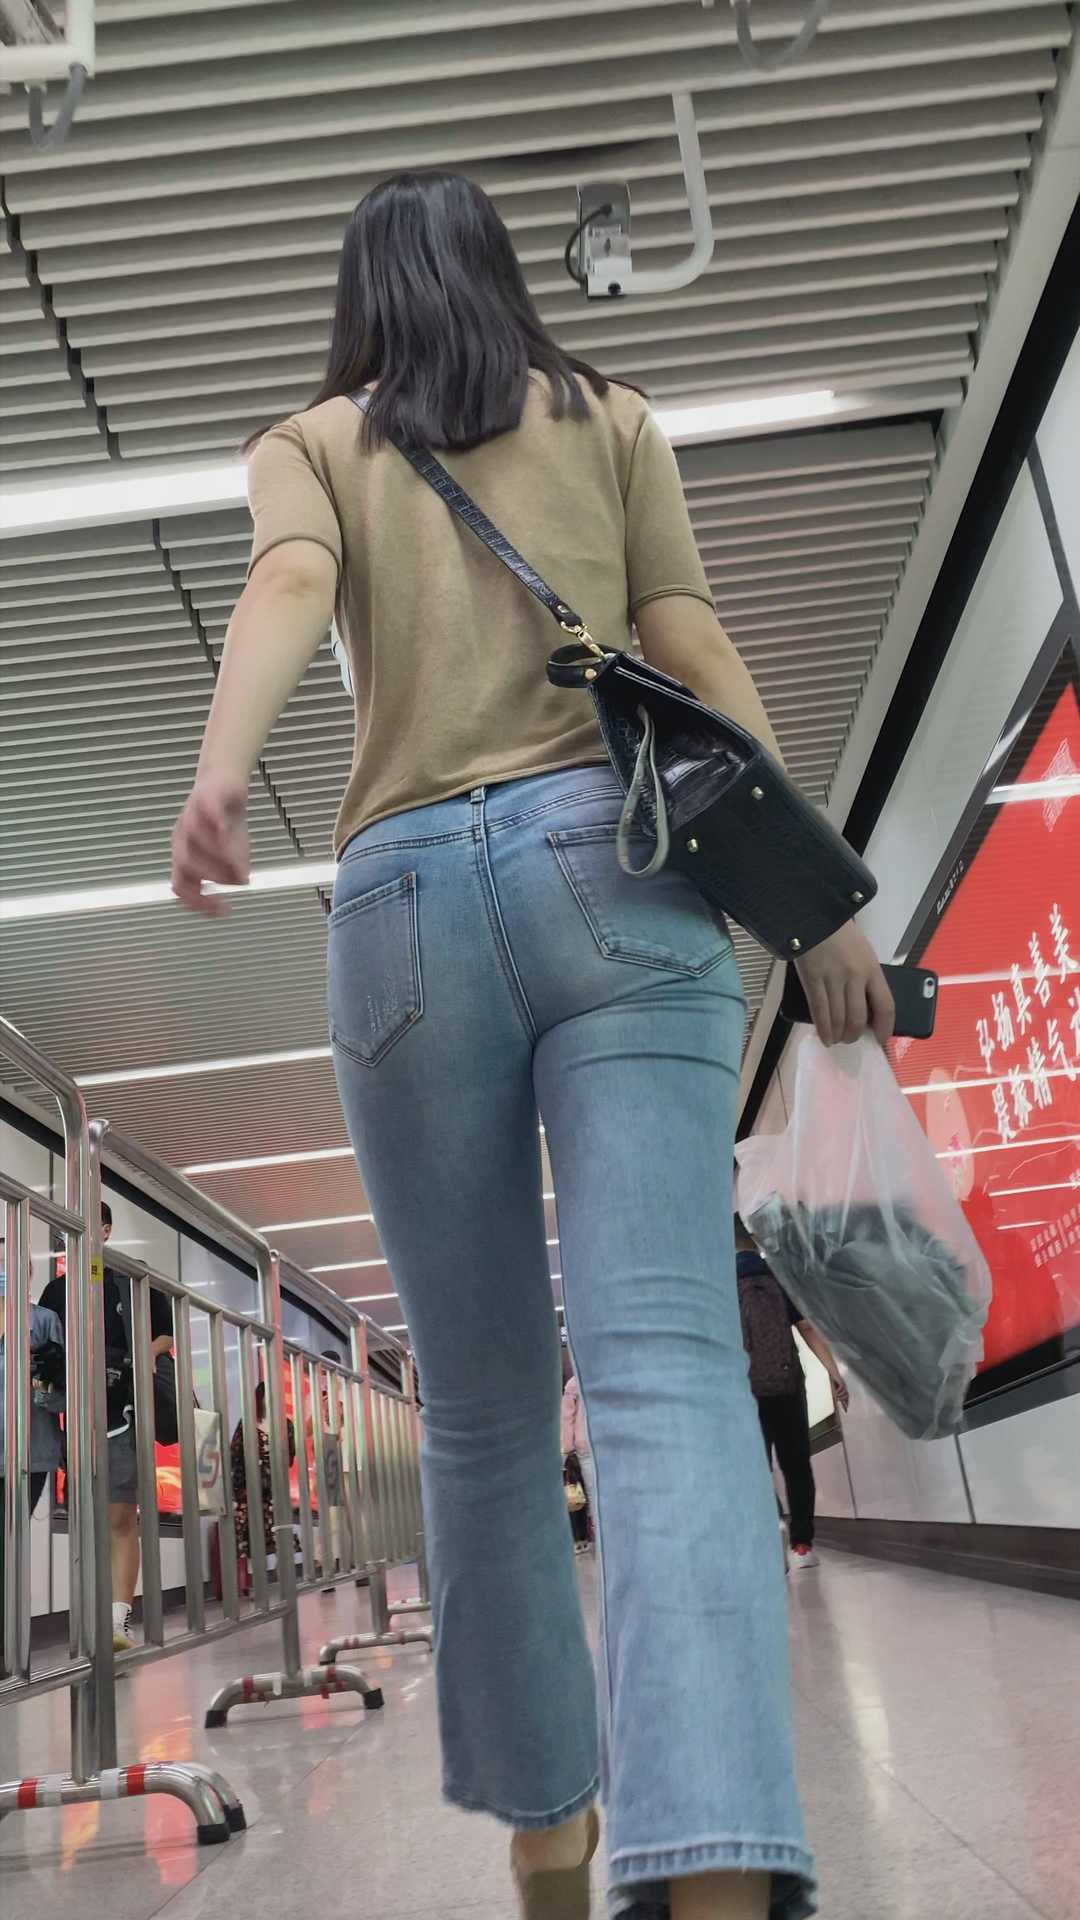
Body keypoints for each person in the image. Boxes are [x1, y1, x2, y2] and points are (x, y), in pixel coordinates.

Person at [171, 172, 893, 1920]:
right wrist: (821, 900)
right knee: (662, 1377)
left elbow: (290, 578)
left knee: (488, 1414)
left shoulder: (312, 441)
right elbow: (690, 641)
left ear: (361, 299)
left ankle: (549, 1860)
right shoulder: (611, 416)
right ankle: (715, 1874)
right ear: (502, 277)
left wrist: (221, 771)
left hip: (405, 902)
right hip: (617, 868)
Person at [40, 1201, 174, 1651]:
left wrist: (142, 1355)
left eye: (85, 1224)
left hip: (122, 1413)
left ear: (106, 1230)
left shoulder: (132, 1279)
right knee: (88, 1520)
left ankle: (118, 1620)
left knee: (119, 1516)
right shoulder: (56, 1291)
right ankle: (93, 1615)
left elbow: (165, 1333)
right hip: (75, 1418)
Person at [734, 1218, 850, 1572]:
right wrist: (833, 1372)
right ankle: (802, 1546)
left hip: (744, 1388)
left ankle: (773, 1527)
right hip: (787, 1383)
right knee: (796, 1464)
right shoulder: (777, 1275)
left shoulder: (720, 1282)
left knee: (755, 1466)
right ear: (754, 1239)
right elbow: (807, 1327)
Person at [0, 1269, 65, 1660]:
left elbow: (64, 1396)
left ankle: (7, 1648)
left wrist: (39, 1384)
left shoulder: (43, 1322)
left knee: (8, 1546)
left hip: (28, 1453)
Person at [230, 1379, 296, 1580]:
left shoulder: (286, 1425)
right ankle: (250, 1576)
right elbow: (235, 1454)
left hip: (274, 1487)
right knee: (247, 1531)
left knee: (278, 1527)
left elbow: (290, 1457)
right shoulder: (248, 1423)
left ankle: (281, 1568)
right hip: (249, 1486)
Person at [561, 1370, 595, 1550]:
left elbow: (566, 1418)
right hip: (605, 1443)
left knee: (591, 1493)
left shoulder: (574, 1383)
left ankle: (596, 1533)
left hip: (585, 1446)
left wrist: (567, 1450)